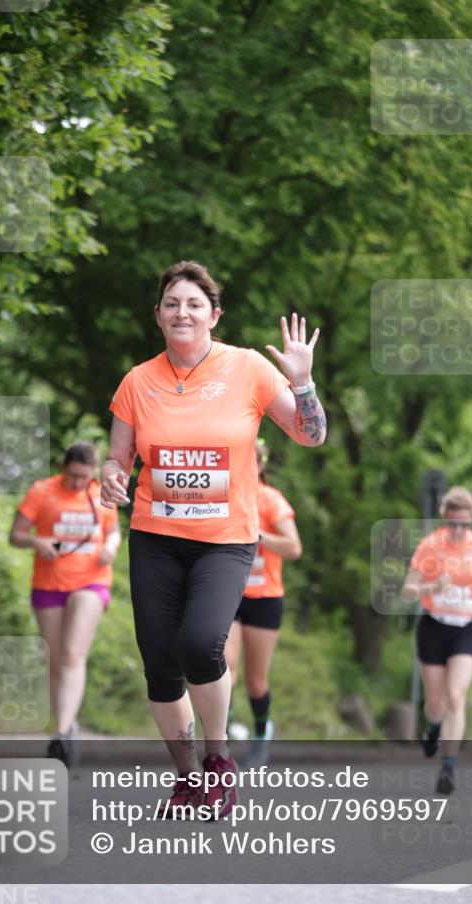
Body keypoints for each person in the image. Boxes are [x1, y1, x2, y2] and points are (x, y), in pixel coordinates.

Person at [100, 260, 326, 819]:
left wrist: (302, 382)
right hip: (155, 536)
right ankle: (187, 778)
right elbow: (118, 458)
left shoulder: (247, 369)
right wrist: (110, 476)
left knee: (200, 642)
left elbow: (310, 435)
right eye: (172, 303)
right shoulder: (137, 381)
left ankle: (219, 760)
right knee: (159, 661)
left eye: (194, 304)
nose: (183, 312)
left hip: (225, 540)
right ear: (158, 316)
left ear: (213, 315)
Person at [9, 441, 120, 766]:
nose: (77, 483)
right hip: (48, 584)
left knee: (73, 653)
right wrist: (35, 541)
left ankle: (59, 735)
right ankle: (66, 724)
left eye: (84, 478)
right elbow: (14, 535)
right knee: (57, 660)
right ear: (63, 467)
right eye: (73, 476)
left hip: (91, 580)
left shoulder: (101, 494)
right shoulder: (42, 491)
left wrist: (111, 547)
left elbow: (112, 531)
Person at [402, 486, 472, 794]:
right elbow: (408, 590)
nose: (459, 530)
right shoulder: (430, 546)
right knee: (435, 703)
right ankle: (433, 727)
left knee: (456, 696)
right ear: (445, 520)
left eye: (465, 524)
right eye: (453, 524)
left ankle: (448, 767)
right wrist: (431, 586)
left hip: (467, 628)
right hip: (434, 626)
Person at [225, 439, 302, 767]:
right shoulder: (221, 495)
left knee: (256, 680)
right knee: (223, 669)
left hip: (265, 598)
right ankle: (219, 738)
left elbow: (294, 548)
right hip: (227, 595)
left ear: (259, 465)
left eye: (249, 461)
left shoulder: (271, 500)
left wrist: (259, 535)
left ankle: (260, 733)